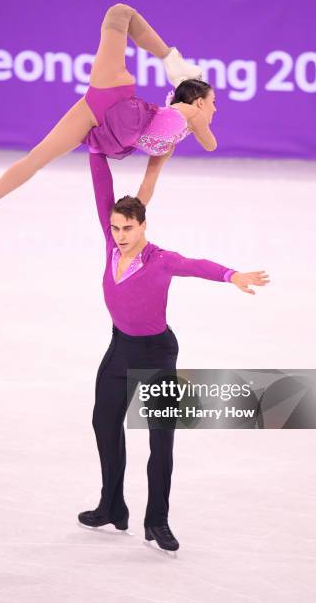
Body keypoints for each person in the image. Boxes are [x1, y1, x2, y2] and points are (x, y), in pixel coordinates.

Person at [78, 150, 270, 552]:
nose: (119, 235)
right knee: (103, 425)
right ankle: (111, 506)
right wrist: (95, 148)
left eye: (127, 228)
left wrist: (232, 275)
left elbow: (196, 264)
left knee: (160, 442)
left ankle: (157, 521)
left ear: (144, 225)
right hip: (119, 349)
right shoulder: (111, 246)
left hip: (156, 355)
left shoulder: (160, 261)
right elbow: (102, 191)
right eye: (114, 228)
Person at [0, 3, 217, 245]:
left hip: (103, 122)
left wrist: (134, 218)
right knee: (119, 12)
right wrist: (186, 82)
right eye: (213, 101)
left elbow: (148, 184)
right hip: (114, 93)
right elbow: (210, 143)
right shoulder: (186, 113)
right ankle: (173, 60)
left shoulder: (169, 145)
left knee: (39, 156)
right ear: (198, 103)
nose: (215, 108)